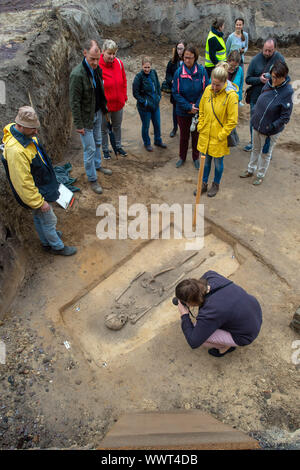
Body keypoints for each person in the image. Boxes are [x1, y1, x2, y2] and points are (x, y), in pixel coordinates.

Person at [1, 106, 77, 256]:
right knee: (49, 219)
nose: (36, 132)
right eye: (32, 129)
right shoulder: (16, 151)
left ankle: (46, 241)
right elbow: (23, 183)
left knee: (39, 217)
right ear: (21, 126)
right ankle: (57, 246)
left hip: (40, 184)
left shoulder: (24, 136)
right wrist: (39, 202)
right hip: (36, 191)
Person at [175, 270, 262, 358]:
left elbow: (193, 341)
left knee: (200, 335)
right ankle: (226, 337)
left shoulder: (210, 311)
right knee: (218, 319)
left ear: (191, 302)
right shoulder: (210, 276)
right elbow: (197, 290)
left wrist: (184, 315)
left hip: (246, 335)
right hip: (255, 314)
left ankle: (225, 348)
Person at [69, 39, 112, 195]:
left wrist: (103, 108)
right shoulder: (77, 75)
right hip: (85, 119)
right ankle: (92, 179)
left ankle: (98, 165)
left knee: (98, 142)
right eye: (92, 59)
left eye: (97, 59)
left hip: (97, 113)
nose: (95, 62)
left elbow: (99, 91)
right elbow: (74, 102)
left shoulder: (97, 69)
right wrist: (78, 124)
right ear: (84, 53)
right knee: (90, 149)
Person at [240, 61, 293, 185]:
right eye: (272, 76)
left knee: (265, 154)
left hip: (270, 131)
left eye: (276, 78)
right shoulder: (269, 83)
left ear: (283, 77)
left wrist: (272, 126)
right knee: (255, 149)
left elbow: (285, 117)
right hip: (257, 125)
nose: (273, 80)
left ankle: (260, 175)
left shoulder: (287, 93)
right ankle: (250, 170)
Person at [195, 62, 238, 197]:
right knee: (205, 162)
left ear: (225, 82)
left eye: (217, 85)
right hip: (206, 133)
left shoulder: (231, 96)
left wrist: (221, 135)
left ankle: (216, 184)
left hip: (219, 138)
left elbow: (232, 121)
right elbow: (201, 108)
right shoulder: (208, 90)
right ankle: (203, 184)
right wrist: (200, 125)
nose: (214, 87)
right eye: (213, 83)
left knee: (218, 164)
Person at [244, 37, 285, 152]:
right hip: (256, 97)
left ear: (275, 49)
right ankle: (253, 143)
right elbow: (247, 79)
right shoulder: (255, 59)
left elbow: (285, 78)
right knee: (254, 120)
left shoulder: (280, 59)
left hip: (273, 98)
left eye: (270, 51)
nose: (267, 53)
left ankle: (266, 147)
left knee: (270, 123)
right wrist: (259, 79)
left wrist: (273, 79)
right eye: (265, 50)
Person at [172, 45, 209, 169]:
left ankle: (195, 157)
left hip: (197, 111)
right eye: (185, 57)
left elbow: (205, 90)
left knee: (196, 136)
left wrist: (196, 106)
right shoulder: (178, 72)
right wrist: (188, 107)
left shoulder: (202, 72)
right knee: (184, 136)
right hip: (182, 111)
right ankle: (182, 157)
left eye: (190, 58)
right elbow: (176, 93)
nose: (187, 60)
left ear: (195, 58)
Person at [99, 39, 128, 159]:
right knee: (104, 129)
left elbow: (124, 81)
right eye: (109, 53)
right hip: (105, 107)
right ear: (103, 52)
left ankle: (118, 146)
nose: (112, 56)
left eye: (114, 54)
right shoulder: (97, 67)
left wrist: (124, 96)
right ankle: (105, 149)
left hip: (118, 103)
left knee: (117, 126)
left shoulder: (119, 64)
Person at [132, 57, 167, 152]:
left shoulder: (153, 73)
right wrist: (145, 102)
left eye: (148, 67)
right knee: (146, 126)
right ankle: (147, 143)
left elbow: (158, 86)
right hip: (144, 108)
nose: (147, 69)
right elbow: (135, 93)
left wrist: (159, 96)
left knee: (157, 124)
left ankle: (158, 140)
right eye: (145, 67)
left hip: (155, 105)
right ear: (142, 66)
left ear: (151, 66)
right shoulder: (138, 77)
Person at [164, 40, 186, 137]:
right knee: (175, 111)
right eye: (178, 49)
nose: (179, 51)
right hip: (176, 91)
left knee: (185, 111)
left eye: (181, 49)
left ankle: (184, 129)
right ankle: (174, 128)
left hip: (186, 91)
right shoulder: (172, 62)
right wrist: (171, 80)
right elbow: (168, 74)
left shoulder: (188, 61)